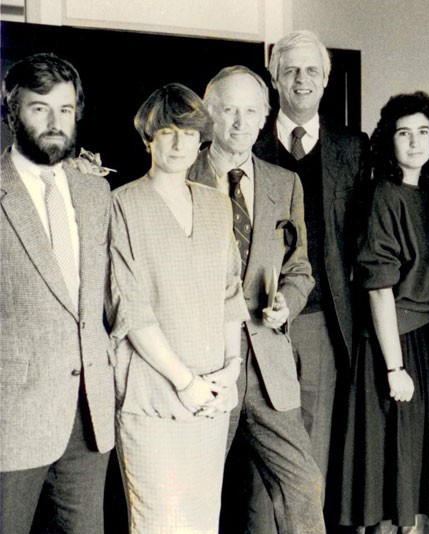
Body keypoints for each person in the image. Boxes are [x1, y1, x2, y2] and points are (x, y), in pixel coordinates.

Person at [187, 65, 325, 533]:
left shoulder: (285, 183)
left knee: (303, 484)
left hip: (268, 364)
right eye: (229, 110)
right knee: (198, 491)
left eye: (251, 111)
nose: (240, 122)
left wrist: (288, 300)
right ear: (209, 114)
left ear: (265, 117)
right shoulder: (180, 175)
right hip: (205, 364)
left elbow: (300, 268)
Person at [107, 83, 249, 532]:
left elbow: (229, 294)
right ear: (149, 137)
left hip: (210, 397)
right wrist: (185, 382)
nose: (178, 143)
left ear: (201, 138)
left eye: (188, 133)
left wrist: (231, 369)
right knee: (158, 522)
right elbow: (130, 309)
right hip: (154, 394)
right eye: (167, 132)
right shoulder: (121, 205)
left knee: (202, 521)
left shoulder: (217, 205)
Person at [0, 52, 115, 534]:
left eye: (65, 110)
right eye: (39, 108)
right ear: (12, 113)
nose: (54, 122)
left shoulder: (94, 191)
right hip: (11, 418)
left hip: (89, 416)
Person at [336, 92, 429, 533]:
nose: (415, 142)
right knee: (391, 481)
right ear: (389, 141)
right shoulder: (383, 195)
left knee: (413, 476)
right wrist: (395, 367)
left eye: (424, 132)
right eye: (404, 133)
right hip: (395, 345)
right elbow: (379, 291)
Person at [254, 31, 370, 487]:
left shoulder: (352, 148)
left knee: (312, 452)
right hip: (257, 320)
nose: (301, 79)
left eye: (311, 71)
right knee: (259, 453)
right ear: (275, 79)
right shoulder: (250, 142)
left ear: (325, 80)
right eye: (291, 70)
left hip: (323, 320)